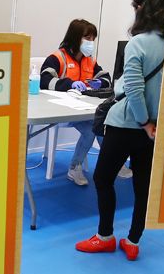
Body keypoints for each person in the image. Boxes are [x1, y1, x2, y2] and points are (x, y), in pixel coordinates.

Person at [75, 0, 164, 261]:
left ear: (141, 9)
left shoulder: (138, 44)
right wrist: (154, 124)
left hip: (128, 124)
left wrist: (143, 120)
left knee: (103, 177)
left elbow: (133, 89)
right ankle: (133, 241)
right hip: (155, 129)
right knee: (143, 186)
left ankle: (105, 236)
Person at [39, 19, 112, 186]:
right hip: (60, 111)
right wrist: (69, 84)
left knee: (104, 125)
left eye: (93, 39)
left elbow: (106, 77)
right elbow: (44, 80)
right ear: (75, 37)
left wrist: (100, 83)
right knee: (90, 131)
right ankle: (75, 167)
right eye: (87, 38)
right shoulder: (57, 57)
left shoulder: (89, 60)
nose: (90, 43)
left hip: (83, 110)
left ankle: (111, 164)